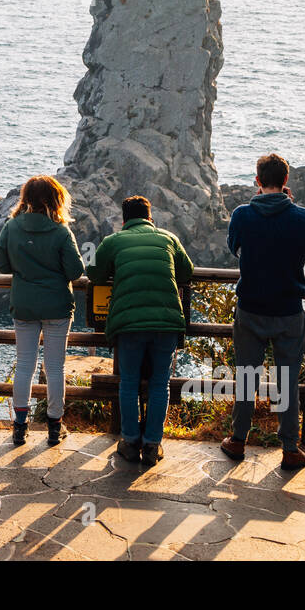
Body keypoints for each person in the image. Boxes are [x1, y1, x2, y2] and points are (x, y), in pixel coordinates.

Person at [222, 153, 305, 471]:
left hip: (250, 308)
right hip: (289, 310)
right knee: (288, 381)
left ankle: (238, 440)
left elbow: (233, 246)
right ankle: (290, 448)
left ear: (258, 181)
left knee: (247, 376)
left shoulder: (242, 214)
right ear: (286, 182)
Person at [86, 195, 193, 468]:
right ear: (150, 217)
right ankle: (152, 445)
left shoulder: (113, 241)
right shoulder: (168, 238)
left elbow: (95, 275)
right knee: (160, 383)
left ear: (124, 220)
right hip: (166, 322)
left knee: (129, 382)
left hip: (129, 323)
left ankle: (130, 442)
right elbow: (187, 271)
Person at [0, 175, 85, 447]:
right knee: (55, 368)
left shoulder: (11, 227)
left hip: (24, 304)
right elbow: (75, 270)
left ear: (26, 199)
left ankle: (20, 426)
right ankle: (55, 426)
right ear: (55, 199)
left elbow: (1, 266)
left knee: (24, 365)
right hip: (57, 305)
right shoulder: (60, 231)